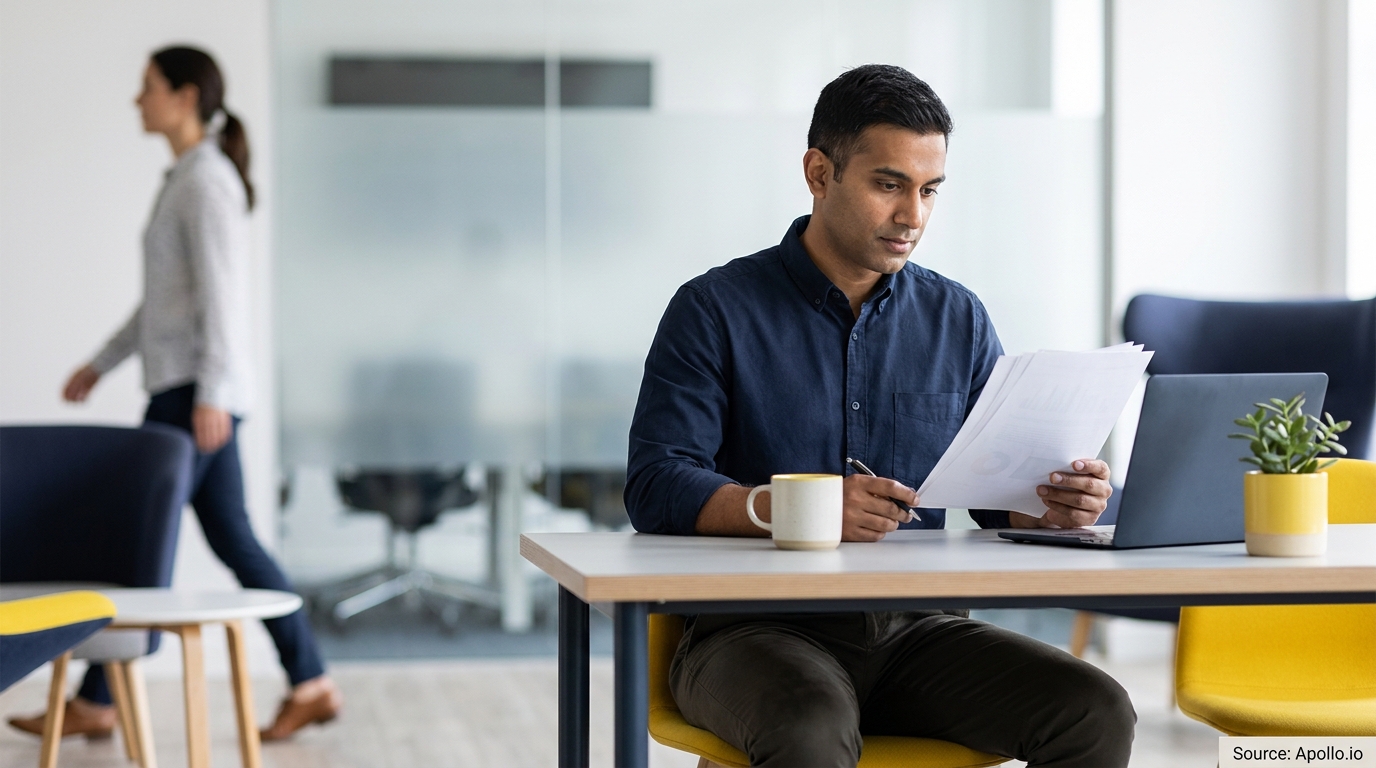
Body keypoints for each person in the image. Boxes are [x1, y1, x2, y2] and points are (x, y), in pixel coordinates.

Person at [624, 65, 1135, 767]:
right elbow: (655, 484)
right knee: (809, 727)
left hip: (917, 632)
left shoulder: (957, 318)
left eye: (929, 191)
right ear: (818, 173)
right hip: (751, 632)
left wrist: (1049, 507)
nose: (912, 215)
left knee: (1095, 711)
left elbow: (991, 499)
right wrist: (794, 510)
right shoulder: (713, 309)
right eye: (888, 184)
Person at [8, 45, 341, 742]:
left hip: (193, 398)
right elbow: (163, 306)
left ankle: (100, 696)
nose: (139, 100)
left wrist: (213, 393)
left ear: (186, 97)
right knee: (227, 541)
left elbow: (224, 301)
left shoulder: (206, 183)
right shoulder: (185, 180)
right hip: (185, 391)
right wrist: (100, 363)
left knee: (130, 538)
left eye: (149, 87)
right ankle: (310, 680)